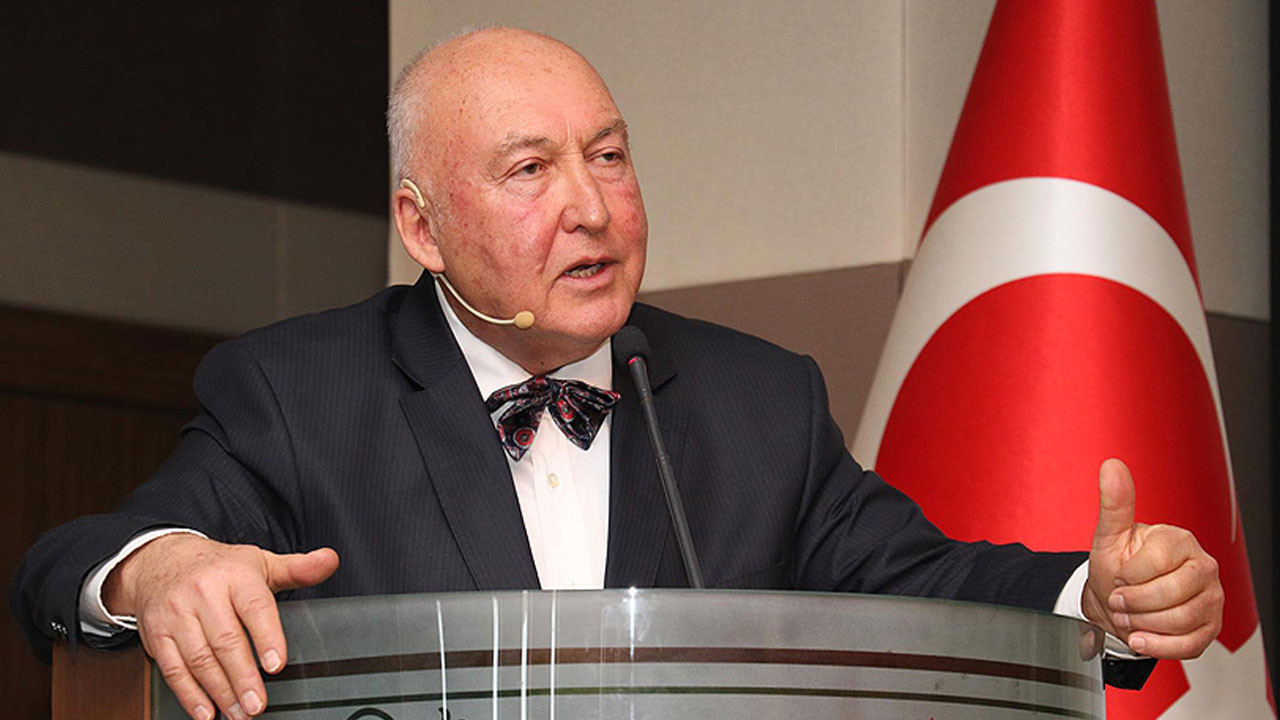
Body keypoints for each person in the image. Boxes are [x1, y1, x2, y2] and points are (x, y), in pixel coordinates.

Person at [10, 27, 1223, 720]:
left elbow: (922, 587)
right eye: (530, 170)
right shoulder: (296, 392)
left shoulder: (759, 402)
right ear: (422, 226)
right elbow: (72, 564)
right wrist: (158, 569)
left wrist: (1094, 600)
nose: (592, 209)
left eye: (607, 156)